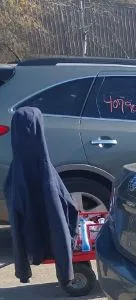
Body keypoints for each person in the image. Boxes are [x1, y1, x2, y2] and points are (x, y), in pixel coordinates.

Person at [3, 107, 78, 286]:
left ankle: (24, 273)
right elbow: (66, 210)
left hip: (30, 238)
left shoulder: (16, 173)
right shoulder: (46, 171)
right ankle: (65, 276)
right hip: (51, 237)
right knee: (58, 221)